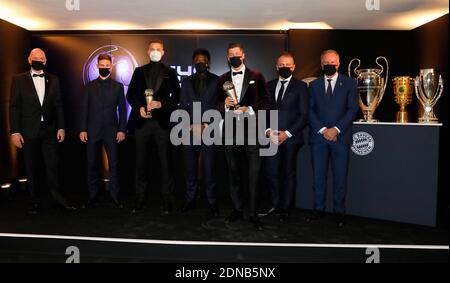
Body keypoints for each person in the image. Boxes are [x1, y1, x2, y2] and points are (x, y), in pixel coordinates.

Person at [9, 48, 76, 214]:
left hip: (49, 130)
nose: (39, 60)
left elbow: (58, 105)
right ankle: (34, 202)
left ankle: (58, 200)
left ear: (45, 61)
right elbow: (14, 107)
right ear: (29, 59)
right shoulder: (18, 79)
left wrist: (61, 127)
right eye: (35, 57)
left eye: (42, 58)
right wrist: (15, 132)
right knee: (31, 167)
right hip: (28, 130)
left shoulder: (54, 79)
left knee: (52, 165)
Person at [218, 43, 271, 230]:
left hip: (252, 131)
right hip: (231, 132)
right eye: (230, 54)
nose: (234, 56)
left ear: (243, 55)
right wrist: (224, 104)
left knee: (254, 174)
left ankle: (253, 213)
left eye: (237, 54)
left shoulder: (256, 75)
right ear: (227, 57)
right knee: (234, 173)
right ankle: (238, 209)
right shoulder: (222, 79)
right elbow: (214, 104)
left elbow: (266, 100)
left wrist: (249, 108)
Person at [126, 40, 180, 215]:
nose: (155, 52)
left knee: (166, 164)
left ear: (163, 52)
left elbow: (177, 97)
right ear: (147, 51)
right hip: (142, 124)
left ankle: (167, 201)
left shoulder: (170, 72)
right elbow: (130, 94)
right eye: (152, 49)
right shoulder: (139, 71)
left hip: (162, 124)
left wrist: (161, 103)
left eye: (158, 49)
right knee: (140, 164)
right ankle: (140, 199)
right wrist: (139, 107)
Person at [306, 49, 358, 227]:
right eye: (326, 62)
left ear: (339, 63)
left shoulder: (350, 83)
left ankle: (339, 212)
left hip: (340, 139)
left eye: (333, 62)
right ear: (321, 64)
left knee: (340, 177)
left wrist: (336, 130)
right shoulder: (313, 85)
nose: (330, 64)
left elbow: (352, 109)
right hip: (318, 139)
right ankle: (318, 209)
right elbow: (310, 110)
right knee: (318, 177)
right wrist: (323, 130)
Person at [262, 52, 309, 222]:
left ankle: (286, 208)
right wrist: (268, 131)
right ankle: (275, 205)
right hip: (271, 137)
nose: (285, 68)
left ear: (294, 67)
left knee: (288, 173)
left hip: (291, 138)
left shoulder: (301, 87)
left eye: (288, 65)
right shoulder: (268, 85)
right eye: (281, 65)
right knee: (271, 172)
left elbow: (304, 115)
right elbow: (263, 112)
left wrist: (287, 134)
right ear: (276, 66)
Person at [79, 53, 127, 208]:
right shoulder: (89, 87)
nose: (105, 68)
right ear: (97, 66)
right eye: (102, 65)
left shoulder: (118, 86)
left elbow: (123, 110)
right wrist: (82, 129)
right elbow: (84, 109)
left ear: (111, 67)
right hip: (92, 130)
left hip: (112, 131)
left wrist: (121, 130)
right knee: (92, 164)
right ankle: (92, 196)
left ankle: (115, 196)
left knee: (114, 164)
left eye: (108, 65)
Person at [179, 48, 221, 216]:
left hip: (209, 129)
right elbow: (182, 104)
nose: (200, 63)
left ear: (208, 63)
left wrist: (206, 123)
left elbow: (219, 105)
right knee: (190, 167)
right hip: (189, 130)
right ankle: (190, 200)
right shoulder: (186, 81)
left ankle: (212, 202)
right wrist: (189, 124)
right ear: (193, 63)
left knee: (210, 168)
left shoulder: (217, 81)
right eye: (197, 60)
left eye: (203, 60)